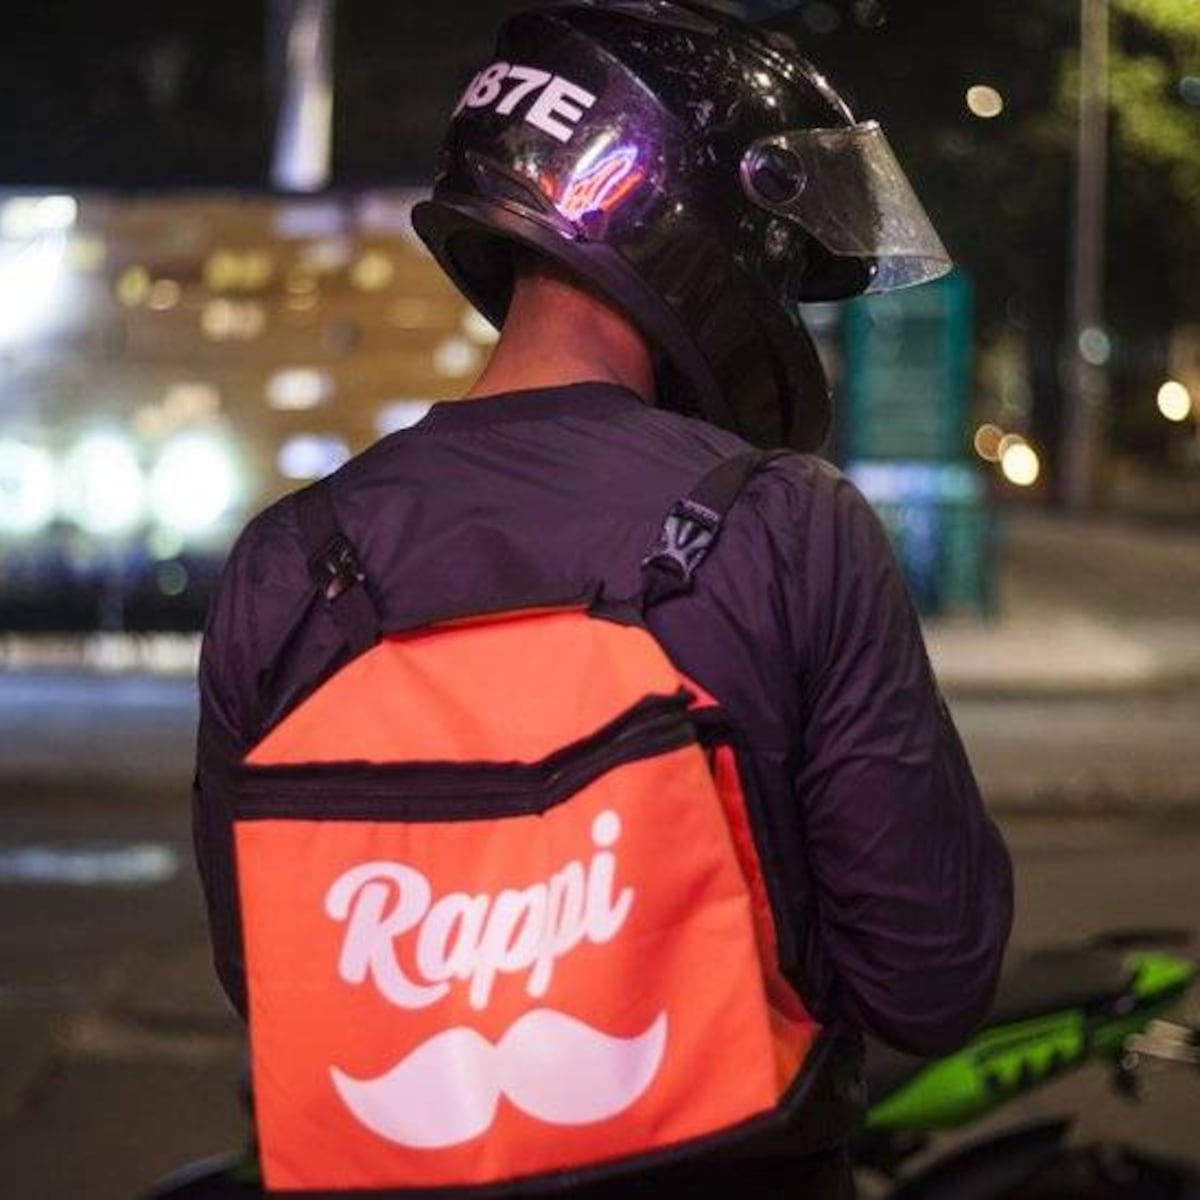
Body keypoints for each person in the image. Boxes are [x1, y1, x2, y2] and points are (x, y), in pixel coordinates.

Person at [194, 2, 1012, 1196]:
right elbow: (933, 976)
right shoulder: (784, 526)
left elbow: (266, 972)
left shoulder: (287, 560)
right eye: (782, 262)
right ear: (696, 221)